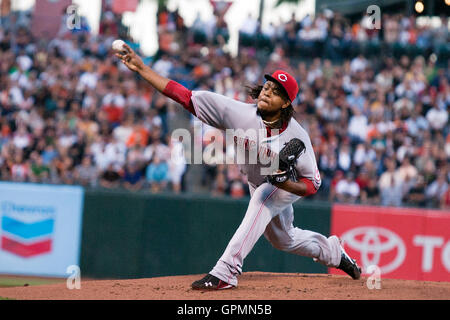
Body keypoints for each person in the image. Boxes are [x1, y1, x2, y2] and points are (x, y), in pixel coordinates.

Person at [116, 44, 361, 290]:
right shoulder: (237, 113)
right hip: (258, 182)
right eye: (267, 86)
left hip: (283, 186)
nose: (267, 92)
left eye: (276, 92)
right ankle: (333, 252)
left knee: (265, 197)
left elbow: (312, 185)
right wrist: (143, 69)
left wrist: (285, 183)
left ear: (286, 104)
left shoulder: (298, 137)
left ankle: (226, 271)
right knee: (283, 239)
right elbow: (185, 97)